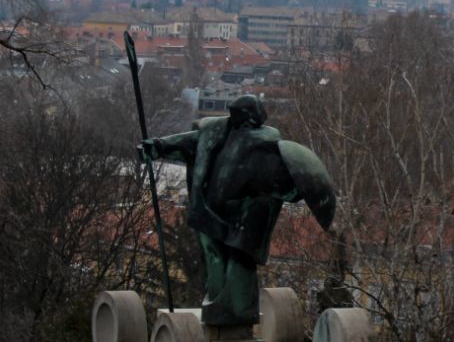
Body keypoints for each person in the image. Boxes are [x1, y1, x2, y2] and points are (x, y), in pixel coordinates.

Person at [142, 94, 336, 326]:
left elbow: (286, 187)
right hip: (210, 214)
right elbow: (190, 142)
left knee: (239, 263)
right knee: (214, 260)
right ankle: (218, 306)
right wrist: (159, 146)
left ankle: (236, 310)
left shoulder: (265, 146)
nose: (236, 121)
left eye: (240, 117)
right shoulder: (218, 131)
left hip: (242, 222)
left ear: (251, 119)